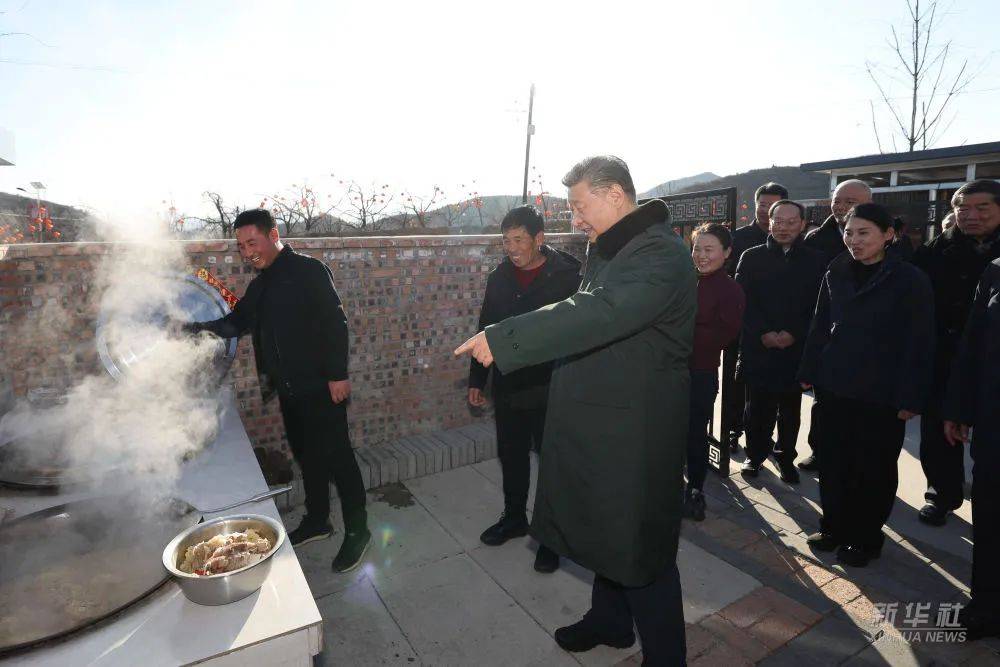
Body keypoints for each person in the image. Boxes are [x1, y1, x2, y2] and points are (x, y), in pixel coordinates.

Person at [455, 156, 696, 665]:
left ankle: (667, 657)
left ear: (615, 195)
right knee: (607, 531)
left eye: (581, 206)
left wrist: (507, 338)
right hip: (604, 418)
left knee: (639, 546)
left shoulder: (659, 253)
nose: (576, 219)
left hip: (637, 427)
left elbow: (599, 312)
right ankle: (610, 622)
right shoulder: (613, 248)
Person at [184, 209, 370, 573]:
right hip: (289, 391)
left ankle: (358, 533)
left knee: (339, 461)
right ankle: (318, 520)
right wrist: (191, 329)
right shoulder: (262, 284)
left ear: (274, 235)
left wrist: (337, 375)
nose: (247, 252)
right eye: (241, 246)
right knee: (308, 457)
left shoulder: (308, 271)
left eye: (252, 242)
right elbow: (236, 322)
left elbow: (336, 323)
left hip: (321, 387)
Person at [799, 203, 934, 567]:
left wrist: (911, 395)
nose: (853, 241)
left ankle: (865, 537)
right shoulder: (837, 269)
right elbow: (820, 323)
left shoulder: (909, 279)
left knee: (872, 468)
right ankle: (833, 527)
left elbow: (919, 342)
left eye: (863, 233)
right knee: (834, 461)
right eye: (848, 232)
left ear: (888, 234)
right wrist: (809, 368)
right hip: (835, 384)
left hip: (881, 392)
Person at [468, 205, 581, 573]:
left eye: (519, 240)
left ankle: (551, 536)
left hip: (553, 385)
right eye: (506, 241)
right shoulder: (499, 277)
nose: (512, 248)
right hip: (510, 384)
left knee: (552, 461)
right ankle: (514, 517)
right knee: (512, 454)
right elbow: (485, 328)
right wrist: (476, 380)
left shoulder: (568, 276)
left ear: (539, 238)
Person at [912, 179, 1000, 526]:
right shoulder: (936, 251)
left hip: (991, 359)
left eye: (982, 208)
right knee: (938, 431)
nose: (971, 216)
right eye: (962, 208)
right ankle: (941, 494)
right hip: (944, 356)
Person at [735, 200, 826, 484]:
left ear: (802, 224)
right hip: (758, 346)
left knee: (790, 409)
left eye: (791, 222)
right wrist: (762, 332)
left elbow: (819, 306)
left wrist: (794, 333)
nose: (784, 228)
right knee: (757, 407)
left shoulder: (816, 260)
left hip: (795, 349)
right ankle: (755, 455)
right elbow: (741, 301)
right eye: (778, 221)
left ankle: (786, 456)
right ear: (769, 222)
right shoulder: (751, 257)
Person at [799, 179, 873, 472]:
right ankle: (820, 451)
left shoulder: (890, 239)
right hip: (827, 336)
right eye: (837, 200)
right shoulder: (816, 238)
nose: (841, 207)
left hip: (871, 344)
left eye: (850, 201)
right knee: (824, 403)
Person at [945, 258, 1000, 640]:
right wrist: (960, 408)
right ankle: (985, 605)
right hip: (994, 419)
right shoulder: (996, 270)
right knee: (992, 515)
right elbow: (974, 343)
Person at [720, 182, 788, 453]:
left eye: (773, 206)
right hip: (743, 324)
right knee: (737, 385)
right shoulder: (737, 239)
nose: (766, 210)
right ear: (756, 204)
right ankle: (733, 430)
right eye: (763, 205)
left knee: (770, 390)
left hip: (779, 329)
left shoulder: (792, 240)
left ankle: (762, 437)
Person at [685, 223, 745, 521]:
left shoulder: (730, 289)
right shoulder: (681, 280)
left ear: (727, 252)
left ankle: (695, 491)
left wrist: (678, 334)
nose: (701, 255)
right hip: (666, 372)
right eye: (697, 248)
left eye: (709, 249)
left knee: (695, 435)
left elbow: (723, 335)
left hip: (700, 373)